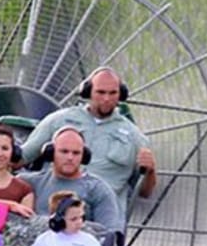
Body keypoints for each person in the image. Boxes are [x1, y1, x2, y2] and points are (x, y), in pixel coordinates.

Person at [20, 67, 157, 222]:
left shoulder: (135, 137)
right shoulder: (58, 120)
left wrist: (151, 171)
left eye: (113, 93)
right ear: (87, 91)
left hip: (102, 217)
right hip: (53, 210)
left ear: (121, 95)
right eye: (101, 92)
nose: (106, 99)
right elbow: (21, 158)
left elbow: (145, 192)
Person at [17, 126, 123, 236]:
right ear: (51, 152)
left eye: (76, 153)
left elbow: (110, 234)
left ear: (84, 156)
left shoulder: (98, 190)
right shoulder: (29, 183)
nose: (70, 157)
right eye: (64, 151)